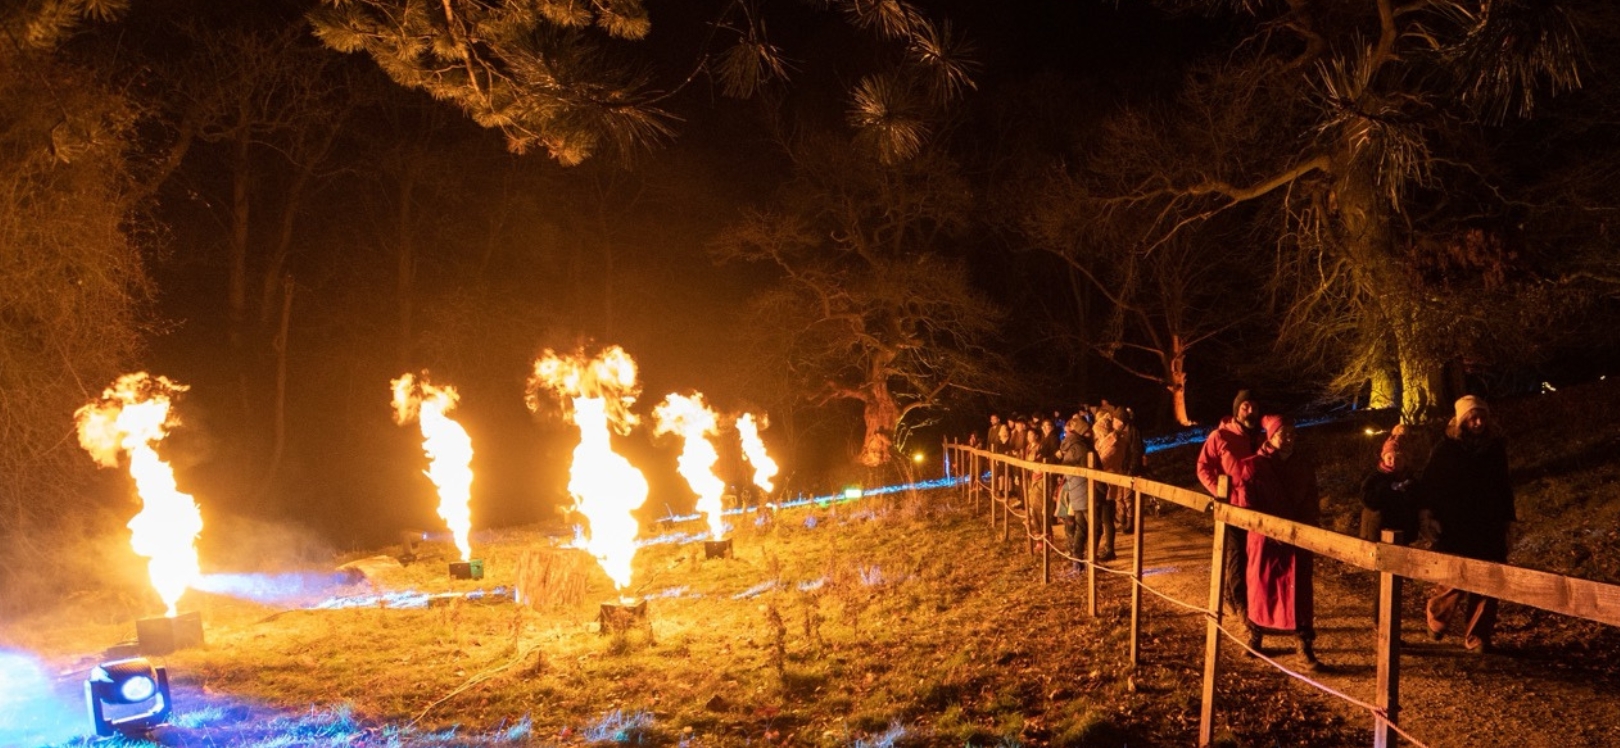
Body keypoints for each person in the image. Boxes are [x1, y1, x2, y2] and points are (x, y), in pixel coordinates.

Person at [1418, 395, 1516, 654]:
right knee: (1454, 579)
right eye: (1473, 417)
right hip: (1456, 524)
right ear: (1462, 419)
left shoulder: (1495, 448)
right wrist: (1428, 514)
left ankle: (1477, 635)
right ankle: (1438, 615)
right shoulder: (1446, 449)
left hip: (1489, 525)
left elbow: (1503, 486)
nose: (1478, 421)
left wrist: (1507, 522)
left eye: (1482, 415)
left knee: (1488, 581)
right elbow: (1430, 483)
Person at [1227, 415, 1322, 670]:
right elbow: (1246, 505)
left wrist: (1309, 527)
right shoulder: (1252, 466)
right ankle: (1255, 635)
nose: (1289, 439)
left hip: (1298, 538)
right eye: (1283, 434)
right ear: (1270, 436)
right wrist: (1267, 529)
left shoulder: (1303, 466)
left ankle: (1304, 643)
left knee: (1300, 590)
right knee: (1260, 587)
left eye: (1293, 434)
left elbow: (1311, 498)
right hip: (1265, 540)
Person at [1197, 389, 1265, 618]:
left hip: (1258, 507)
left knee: (1254, 555)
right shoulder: (1220, 436)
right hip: (1233, 507)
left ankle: (1241, 596)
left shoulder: (1262, 438)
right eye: (1245, 407)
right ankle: (1239, 602)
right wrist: (1220, 492)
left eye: (1254, 407)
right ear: (1237, 410)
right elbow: (1203, 467)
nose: (1250, 411)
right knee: (1237, 555)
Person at [1360, 424, 1417, 544]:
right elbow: (1367, 499)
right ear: (1384, 457)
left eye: (1398, 459)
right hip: (1375, 534)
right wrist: (1386, 489)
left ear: (1406, 461)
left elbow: (1415, 504)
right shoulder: (1377, 477)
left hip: (1401, 534)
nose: (1393, 462)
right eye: (1389, 458)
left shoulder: (1409, 480)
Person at [1056, 414, 1095, 564]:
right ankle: (1082, 558)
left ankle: (1076, 557)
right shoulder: (1081, 448)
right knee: (1088, 527)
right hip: (1084, 490)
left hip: (1076, 490)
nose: (1089, 434)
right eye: (1087, 432)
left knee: (1080, 526)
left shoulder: (1070, 446)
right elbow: (1088, 468)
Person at [1090, 409, 1120, 561]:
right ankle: (1107, 547)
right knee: (1103, 517)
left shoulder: (1112, 445)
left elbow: (1101, 462)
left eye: (1098, 432)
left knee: (1107, 517)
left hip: (1108, 484)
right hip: (1101, 484)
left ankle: (1110, 549)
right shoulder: (1100, 442)